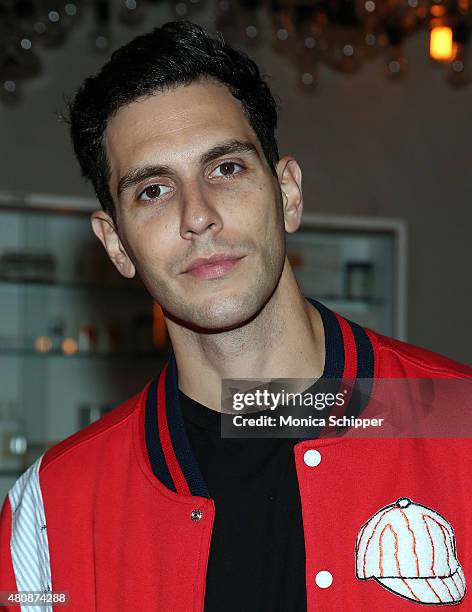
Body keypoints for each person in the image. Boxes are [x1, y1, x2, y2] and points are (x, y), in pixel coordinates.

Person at [1, 20, 471, 612]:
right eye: (153, 190)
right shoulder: (50, 510)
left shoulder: (462, 427)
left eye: (226, 168)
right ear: (116, 243)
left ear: (289, 194)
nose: (197, 215)